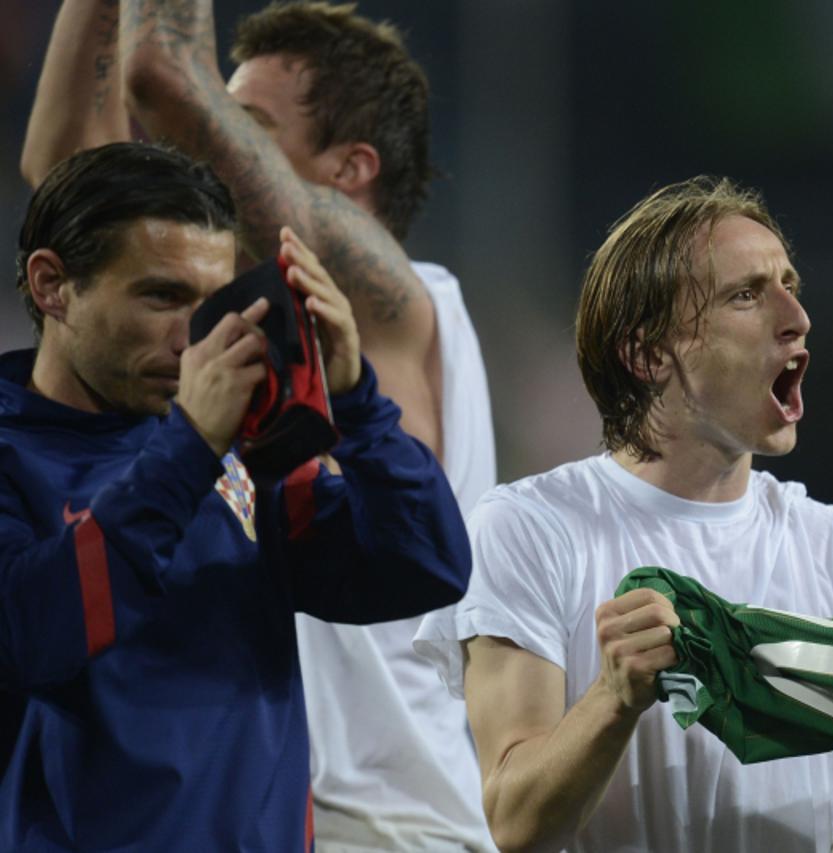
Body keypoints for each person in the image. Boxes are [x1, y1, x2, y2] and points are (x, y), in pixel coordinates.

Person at [21, 3, 498, 849]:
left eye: (244, 123)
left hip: (383, 821)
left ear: (351, 168)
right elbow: (73, 183)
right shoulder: (207, 379)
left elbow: (162, 78)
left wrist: (347, 404)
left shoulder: (385, 297)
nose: (197, 145)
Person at [414, 176, 833, 852]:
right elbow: (515, 822)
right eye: (745, 294)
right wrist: (613, 699)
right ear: (647, 354)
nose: (796, 316)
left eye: (789, 284)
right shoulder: (529, 529)